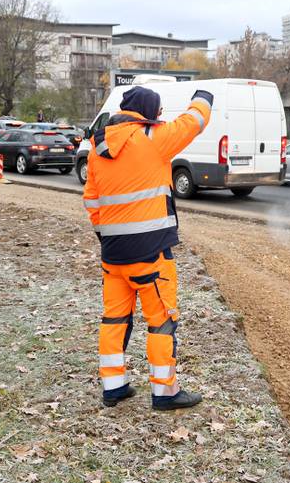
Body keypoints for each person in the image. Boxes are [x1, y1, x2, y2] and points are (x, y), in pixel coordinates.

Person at [83, 85, 213, 410]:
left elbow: (92, 202)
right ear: (148, 113)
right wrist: (203, 97)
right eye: (158, 111)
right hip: (152, 254)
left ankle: (114, 387)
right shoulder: (153, 138)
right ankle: (165, 392)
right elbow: (194, 122)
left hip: (113, 255)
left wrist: (108, 238)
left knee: (114, 320)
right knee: (161, 322)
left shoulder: (98, 148)